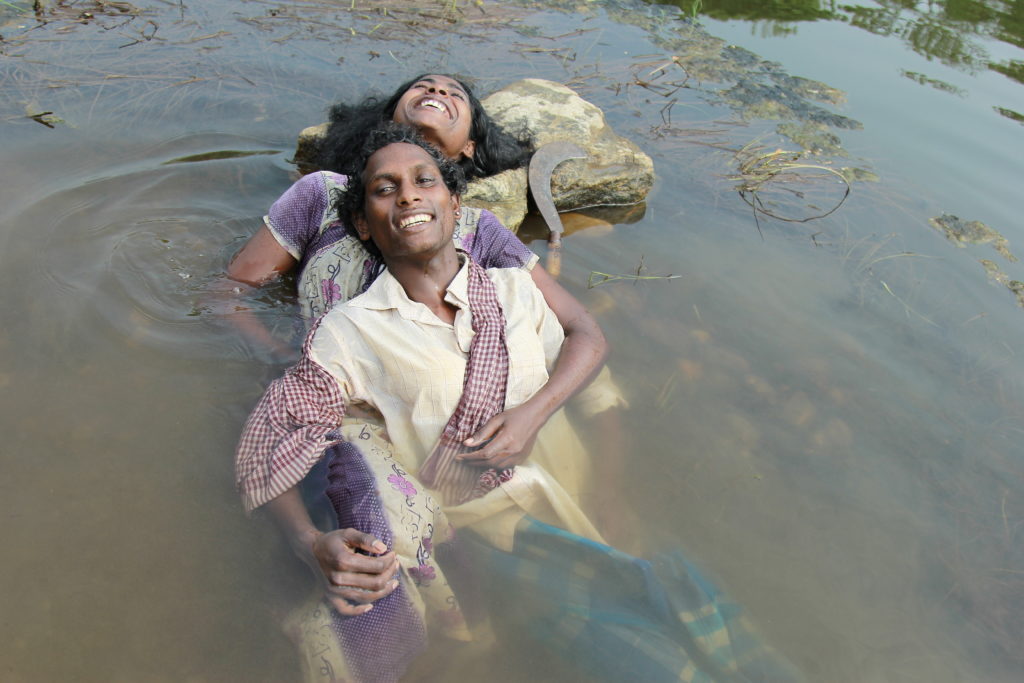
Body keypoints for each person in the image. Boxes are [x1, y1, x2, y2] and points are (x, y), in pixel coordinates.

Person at [236, 124, 800, 683]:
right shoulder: (349, 331)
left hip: (578, 507)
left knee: (717, 627)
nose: (407, 194)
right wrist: (309, 543)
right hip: (492, 539)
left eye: (424, 181)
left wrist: (583, 463)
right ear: (363, 222)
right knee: (646, 663)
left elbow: (591, 375)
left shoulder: (514, 292)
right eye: (384, 189)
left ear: (455, 205)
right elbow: (275, 436)